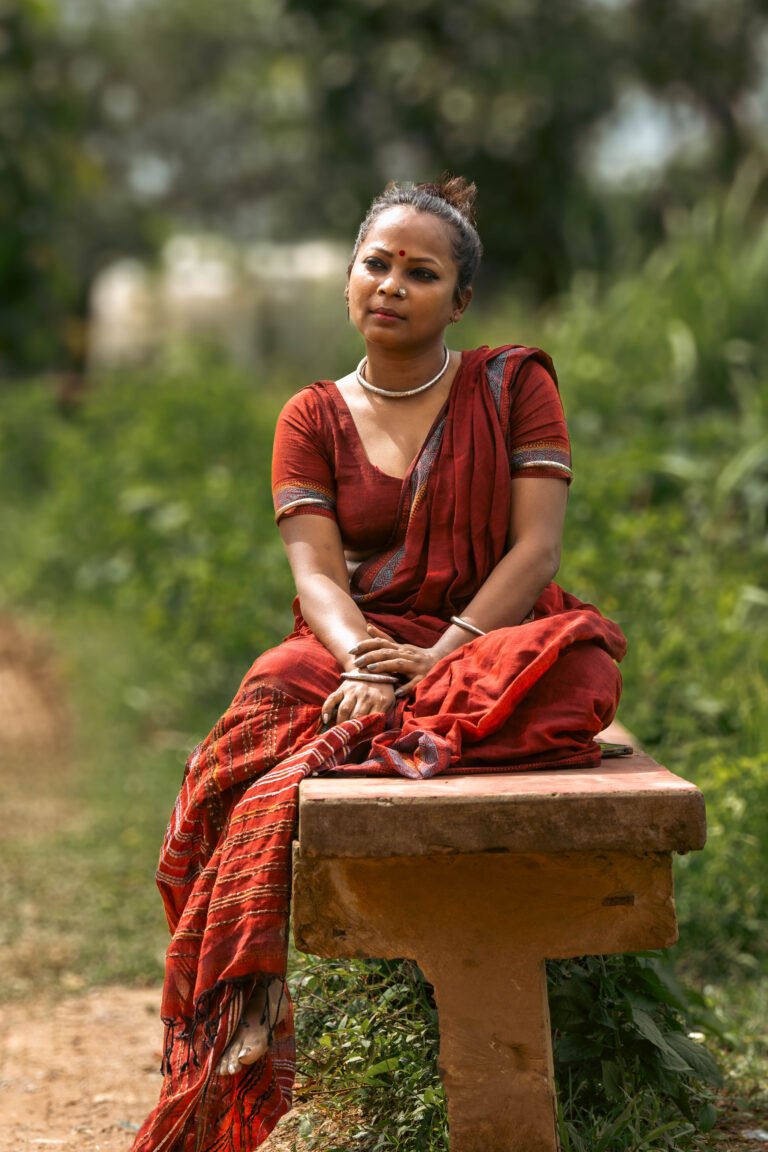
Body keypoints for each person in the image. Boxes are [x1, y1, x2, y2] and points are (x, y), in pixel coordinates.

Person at [131, 177, 626, 1152]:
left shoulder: (513, 386)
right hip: (356, 639)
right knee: (260, 709)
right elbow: (316, 572)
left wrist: (440, 656)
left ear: (461, 299)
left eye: (422, 273)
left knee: (577, 671)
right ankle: (245, 999)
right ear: (350, 277)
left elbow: (536, 553)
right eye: (377, 263)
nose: (392, 285)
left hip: (485, 634)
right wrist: (364, 657)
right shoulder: (310, 416)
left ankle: (405, 717)